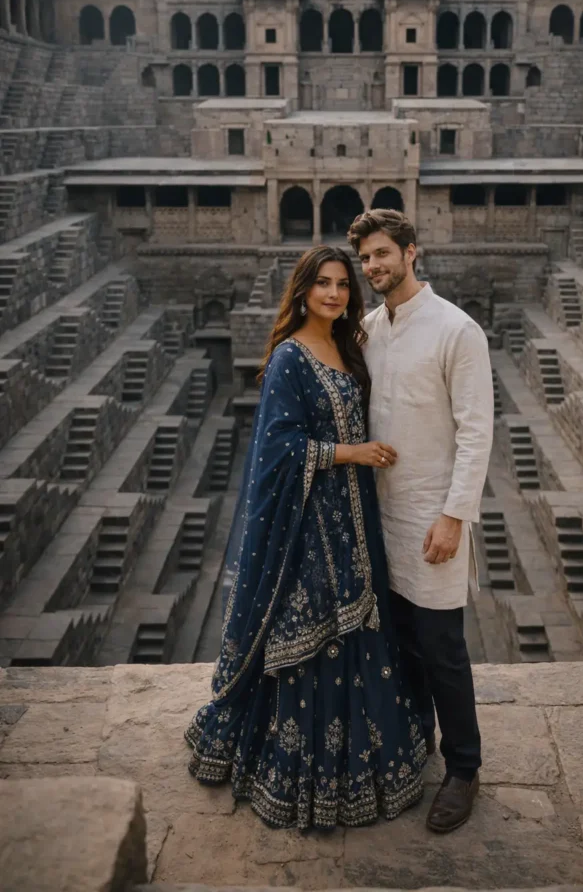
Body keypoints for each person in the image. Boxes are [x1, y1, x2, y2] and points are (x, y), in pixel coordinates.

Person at [185, 245, 426, 830]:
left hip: (355, 523)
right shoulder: (292, 356)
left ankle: (363, 776)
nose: (334, 294)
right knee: (311, 639)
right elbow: (276, 448)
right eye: (322, 283)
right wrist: (352, 452)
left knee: (362, 633)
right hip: (306, 528)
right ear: (302, 290)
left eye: (343, 284)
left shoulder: (348, 347)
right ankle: (299, 780)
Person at [347, 209, 494, 834]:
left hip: (434, 517)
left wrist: (454, 516)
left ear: (413, 252)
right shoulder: (370, 328)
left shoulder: (457, 330)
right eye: (366, 259)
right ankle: (417, 747)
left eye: (383, 253)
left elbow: (476, 431)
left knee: (443, 649)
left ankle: (464, 769)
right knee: (402, 641)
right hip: (384, 514)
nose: (374, 266)